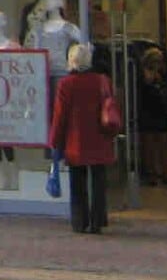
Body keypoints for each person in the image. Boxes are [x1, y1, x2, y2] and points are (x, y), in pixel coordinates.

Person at [50, 41, 117, 234]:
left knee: (77, 182)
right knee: (99, 180)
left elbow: (60, 116)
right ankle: (98, 220)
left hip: (76, 140)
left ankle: (80, 221)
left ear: (72, 61)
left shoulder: (66, 84)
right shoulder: (102, 81)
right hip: (100, 136)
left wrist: (55, 141)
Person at [137, 45, 167, 188]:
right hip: (148, 113)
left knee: (164, 146)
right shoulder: (142, 75)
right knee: (149, 147)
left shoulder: (165, 74)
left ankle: (165, 173)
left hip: (161, 113)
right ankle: (151, 173)